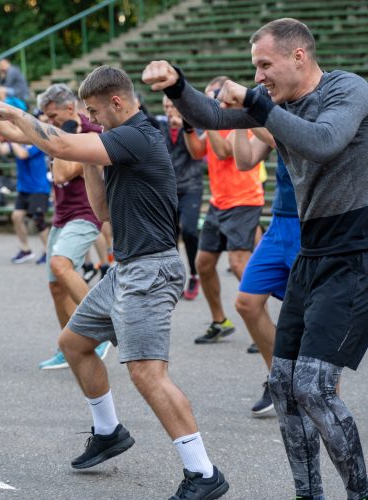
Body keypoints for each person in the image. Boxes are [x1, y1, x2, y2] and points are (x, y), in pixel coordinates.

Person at [142, 17, 368, 500]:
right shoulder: (277, 103)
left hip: (356, 252)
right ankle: (309, 494)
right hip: (312, 251)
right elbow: (211, 117)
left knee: (314, 387)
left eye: (265, 64)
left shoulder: (347, 90)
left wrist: (256, 100)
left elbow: (324, 142)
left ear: (299, 56)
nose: (260, 75)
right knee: (285, 387)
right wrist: (179, 85)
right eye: (255, 68)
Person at [0, 65, 229, 500]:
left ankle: (203, 473)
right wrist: (86, 162)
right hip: (128, 268)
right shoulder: (116, 145)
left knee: (147, 374)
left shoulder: (138, 135)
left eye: (96, 112)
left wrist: (18, 115)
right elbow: (103, 212)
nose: (93, 120)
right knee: (74, 344)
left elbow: (55, 140)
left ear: (117, 102)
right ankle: (109, 431)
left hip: (151, 270)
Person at [182, 76, 264, 344]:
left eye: (211, 98)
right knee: (203, 264)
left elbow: (224, 152)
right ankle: (219, 321)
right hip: (219, 202)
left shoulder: (240, 121)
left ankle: (261, 324)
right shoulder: (214, 125)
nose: (208, 103)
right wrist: (188, 127)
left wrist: (207, 120)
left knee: (239, 264)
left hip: (244, 199)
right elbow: (197, 152)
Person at [33, 83, 110, 369]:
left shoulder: (90, 133)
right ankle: (70, 346)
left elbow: (62, 172)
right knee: (56, 287)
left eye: (52, 116)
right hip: (62, 215)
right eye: (45, 117)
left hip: (86, 212)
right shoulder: (57, 131)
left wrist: (63, 133)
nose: (48, 123)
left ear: (69, 109)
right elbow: (21, 133)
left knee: (60, 264)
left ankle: (101, 332)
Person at [231, 128, 300, 418]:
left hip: (313, 222)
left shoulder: (320, 106)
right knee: (247, 302)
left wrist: (255, 113)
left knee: (312, 317)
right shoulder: (274, 114)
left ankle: (322, 400)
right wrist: (236, 120)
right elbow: (245, 161)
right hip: (280, 221)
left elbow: (294, 143)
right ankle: (280, 379)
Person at [160, 96, 204, 300]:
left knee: (189, 230)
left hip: (191, 187)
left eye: (173, 106)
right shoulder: (161, 127)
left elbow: (198, 153)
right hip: (169, 188)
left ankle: (194, 274)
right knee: (170, 234)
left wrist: (186, 126)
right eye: (166, 106)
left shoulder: (194, 125)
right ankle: (174, 277)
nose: (170, 110)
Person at [0, 134, 51, 264]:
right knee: (16, 216)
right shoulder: (18, 143)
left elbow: (23, 154)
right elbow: (1, 150)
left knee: (38, 220)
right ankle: (25, 250)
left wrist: (11, 139)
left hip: (39, 188)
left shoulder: (37, 142)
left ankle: (48, 252)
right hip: (24, 188)